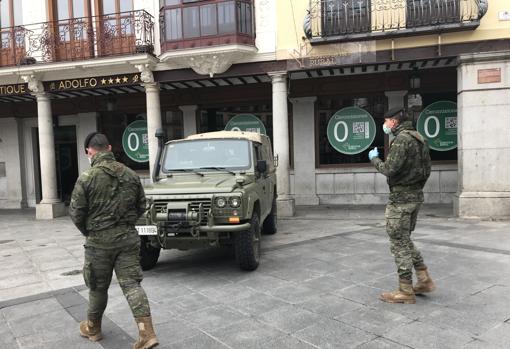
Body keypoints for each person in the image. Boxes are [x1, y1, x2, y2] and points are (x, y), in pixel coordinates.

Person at [69, 132, 159, 349]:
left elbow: (76, 214)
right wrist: (125, 225)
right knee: (131, 284)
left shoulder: (87, 177)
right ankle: (147, 333)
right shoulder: (130, 174)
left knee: (98, 287)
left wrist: (90, 232)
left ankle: (93, 328)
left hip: (98, 243)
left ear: (88, 152)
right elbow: (141, 206)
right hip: (127, 239)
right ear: (109, 147)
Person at [368, 107, 435, 304]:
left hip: (400, 200)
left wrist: (375, 160)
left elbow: (389, 169)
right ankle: (424, 280)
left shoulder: (401, 140)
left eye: (387, 120)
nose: (385, 125)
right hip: (415, 197)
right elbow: (427, 169)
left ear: (394, 122)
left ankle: (405, 290)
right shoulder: (419, 138)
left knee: (398, 243)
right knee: (404, 239)